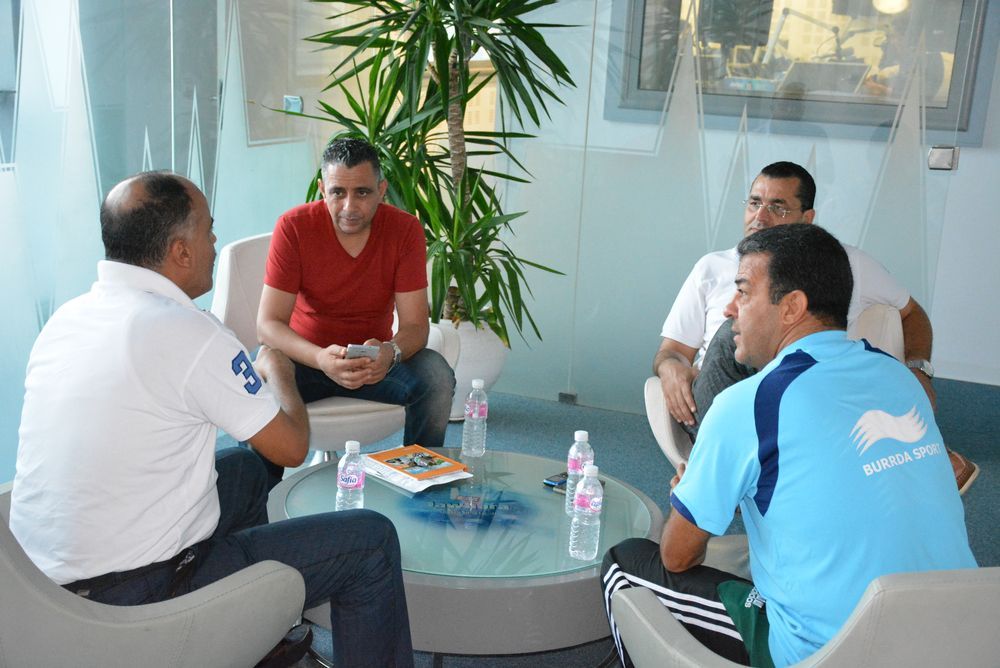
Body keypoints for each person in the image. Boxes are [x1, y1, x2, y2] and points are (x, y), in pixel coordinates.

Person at [8, 171, 413, 667]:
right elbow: (291, 447)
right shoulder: (189, 331)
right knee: (371, 541)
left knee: (244, 471)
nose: (215, 243)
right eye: (209, 230)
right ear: (180, 251)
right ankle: (223, 614)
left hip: (39, 590)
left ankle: (261, 632)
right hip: (142, 595)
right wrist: (278, 369)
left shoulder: (67, 320)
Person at [604, 223, 977, 667]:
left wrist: (686, 495)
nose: (729, 308)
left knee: (625, 565)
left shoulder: (749, 403)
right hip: (961, 635)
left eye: (743, 291)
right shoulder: (901, 379)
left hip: (830, 653)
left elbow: (678, 556)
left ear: (792, 308)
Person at [653, 160, 978, 492]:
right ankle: (908, 455)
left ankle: (735, 483)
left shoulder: (844, 263)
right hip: (723, 404)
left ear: (807, 218)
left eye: (777, 207)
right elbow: (671, 351)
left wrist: (918, 370)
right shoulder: (711, 267)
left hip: (808, 397)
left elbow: (912, 314)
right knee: (739, 328)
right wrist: (670, 368)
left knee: (828, 349)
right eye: (754, 203)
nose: (760, 217)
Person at [259, 137, 455, 482]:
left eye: (362, 193)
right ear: (323, 189)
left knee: (437, 377)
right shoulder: (294, 227)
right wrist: (321, 358)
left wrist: (391, 353)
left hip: (373, 363)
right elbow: (268, 325)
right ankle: (258, 500)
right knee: (257, 382)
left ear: (381, 190)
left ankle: (419, 484)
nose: (349, 206)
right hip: (305, 360)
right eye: (338, 192)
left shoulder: (405, 230)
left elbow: (415, 327)